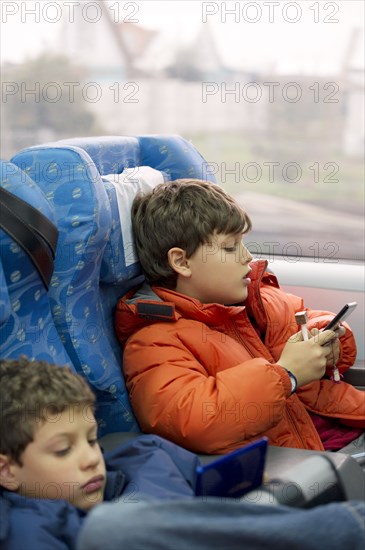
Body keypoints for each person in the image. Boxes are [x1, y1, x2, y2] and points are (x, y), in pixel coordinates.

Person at [1, 358, 365, 550]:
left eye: (91, 439)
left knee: (316, 480)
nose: (89, 458)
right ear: (8, 472)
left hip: (237, 528)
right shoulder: (28, 528)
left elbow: (210, 495)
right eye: (63, 450)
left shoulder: (143, 455)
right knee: (111, 526)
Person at [115, 179, 365, 455]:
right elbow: (197, 421)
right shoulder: (155, 341)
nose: (247, 256)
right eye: (230, 248)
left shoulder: (260, 301)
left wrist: (329, 343)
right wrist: (288, 374)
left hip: (347, 427)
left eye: (243, 244)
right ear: (182, 262)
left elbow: (316, 325)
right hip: (310, 461)